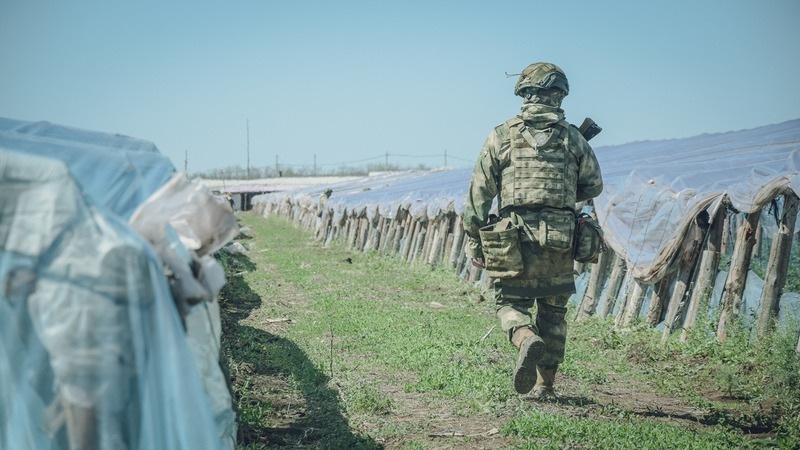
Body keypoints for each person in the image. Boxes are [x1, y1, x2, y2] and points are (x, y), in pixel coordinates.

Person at [463, 62, 603, 399]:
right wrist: (563, 196)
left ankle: (525, 337)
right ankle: (545, 386)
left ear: (525, 93)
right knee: (554, 312)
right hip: (560, 239)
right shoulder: (572, 138)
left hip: (513, 238)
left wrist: (474, 238)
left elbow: (479, 193)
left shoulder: (501, 135)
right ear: (559, 95)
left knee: (509, 303)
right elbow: (593, 185)